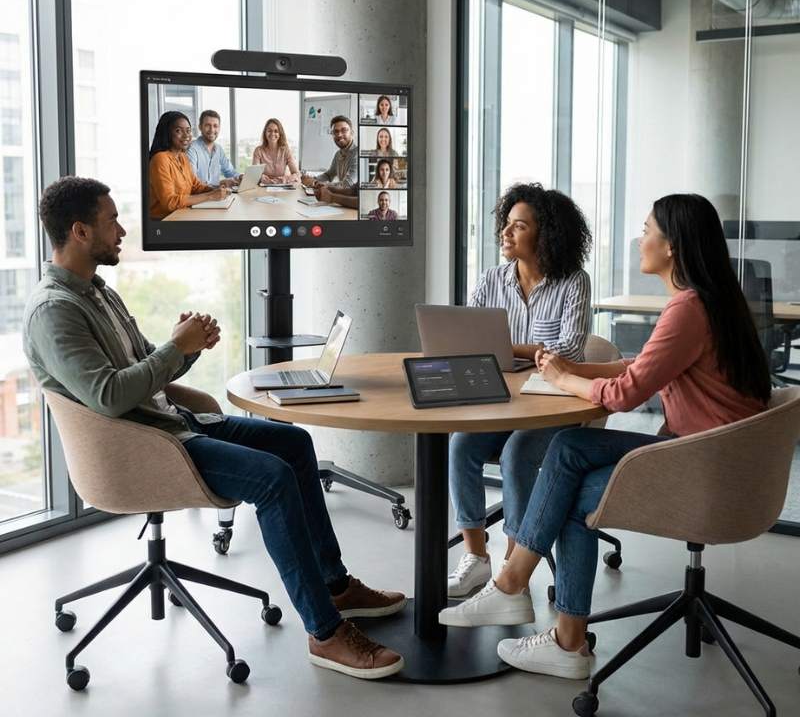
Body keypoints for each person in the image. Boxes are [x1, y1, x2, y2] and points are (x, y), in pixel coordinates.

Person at [24, 176, 407, 680]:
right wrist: (174, 349)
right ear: (78, 231)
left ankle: (335, 583)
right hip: (145, 447)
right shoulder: (56, 312)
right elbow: (111, 397)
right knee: (272, 478)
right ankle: (325, 632)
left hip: (171, 425)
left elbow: (143, 368)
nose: (120, 230)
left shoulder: (97, 291)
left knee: (294, 442)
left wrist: (187, 347)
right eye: (111, 220)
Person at [439, 193, 771, 682]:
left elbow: (624, 394)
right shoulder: (707, 303)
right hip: (712, 454)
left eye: (647, 230)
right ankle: (532, 607)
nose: (640, 239)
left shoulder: (688, 310)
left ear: (673, 246)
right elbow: (636, 367)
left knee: (570, 490)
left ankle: (540, 614)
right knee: (569, 449)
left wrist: (564, 380)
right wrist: (571, 368)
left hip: (705, 468)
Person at [445, 183, 592, 600]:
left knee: (516, 455)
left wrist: (507, 347)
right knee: (460, 446)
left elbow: (569, 352)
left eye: (519, 226)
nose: (506, 234)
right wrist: (529, 350)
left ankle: (513, 570)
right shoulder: (492, 279)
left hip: (552, 408)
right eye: (506, 225)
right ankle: (476, 558)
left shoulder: (572, 283)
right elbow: (466, 340)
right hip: (499, 401)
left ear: (545, 235)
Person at [148, 111, 229, 220]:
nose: (186, 135)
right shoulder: (160, 159)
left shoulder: (182, 157)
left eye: (188, 130)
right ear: (167, 132)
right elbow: (170, 202)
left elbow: (195, 186)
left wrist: (216, 189)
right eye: (178, 131)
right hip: (164, 221)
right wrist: (210, 196)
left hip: (182, 214)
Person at [301, 115, 358, 209]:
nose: (339, 134)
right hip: (343, 204)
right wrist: (312, 179)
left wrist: (316, 183)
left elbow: (347, 185)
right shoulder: (338, 154)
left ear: (352, 132)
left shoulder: (358, 153)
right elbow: (328, 175)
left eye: (344, 130)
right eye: (335, 132)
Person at [186, 110, 241, 188]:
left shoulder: (218, 149)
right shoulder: (192, 149)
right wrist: (220, 184)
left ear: (219, 128)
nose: (212, 130)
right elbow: (193, 183)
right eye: (208, 125)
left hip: (216, 196)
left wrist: (241, 177)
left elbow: (230, 171)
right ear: (200, 127)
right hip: (200, 197)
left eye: (215, 126)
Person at [252, 118, 300, 185]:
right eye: (269, 131)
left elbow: (297, 174)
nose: (272, 134)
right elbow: (254, 174)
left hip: (282, 187)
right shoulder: (258, 151)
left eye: (276, 131)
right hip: (263, 188)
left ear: (280, 134)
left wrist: (284, 179)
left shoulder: (286, 151)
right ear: (265, 133)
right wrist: (261, 178)